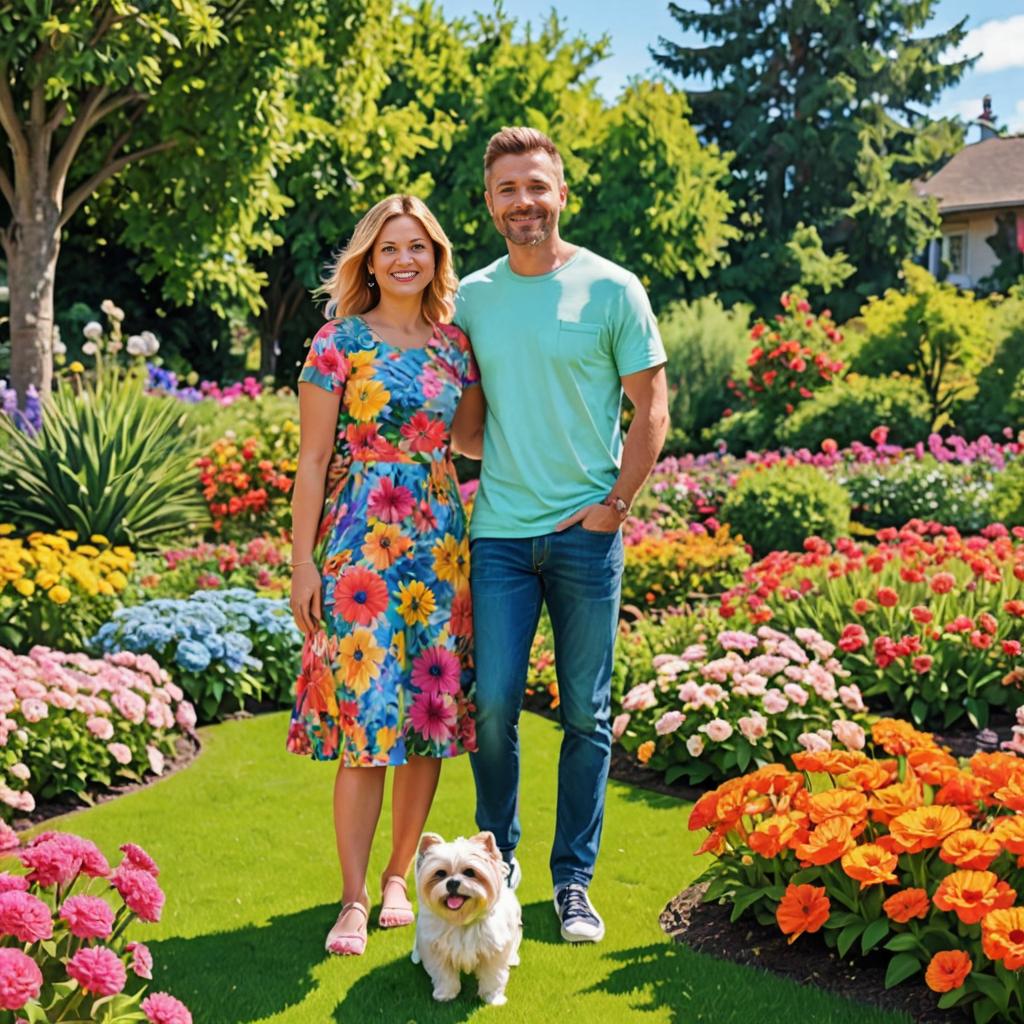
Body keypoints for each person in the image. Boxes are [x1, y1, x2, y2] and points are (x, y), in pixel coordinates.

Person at [454, 127, 669, 944]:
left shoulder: (613, 289)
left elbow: (652, 409)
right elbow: (467, 425)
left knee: (586, 714)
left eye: (536, 186)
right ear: (490, 203)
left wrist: (617, 503)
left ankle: (572, 881)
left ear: (561, 193)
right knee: (496, 705)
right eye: (508, 190)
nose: (523, 203)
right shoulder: (470, 296)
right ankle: (495, 859)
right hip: (500, 536)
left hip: (586, 535)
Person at [287, 194, 484, 957]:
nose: (406, 259)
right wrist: (301, 562)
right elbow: (309, 460)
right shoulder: (337, 342)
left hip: (439, 550)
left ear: (437, 258)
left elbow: (471, 441)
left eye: (420, 247)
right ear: (369, 259)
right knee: (367, 728)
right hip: (357, 549)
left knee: (426, 722)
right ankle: (353, 897)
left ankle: (402, 876)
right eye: (391, 247)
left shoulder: (455, 347)